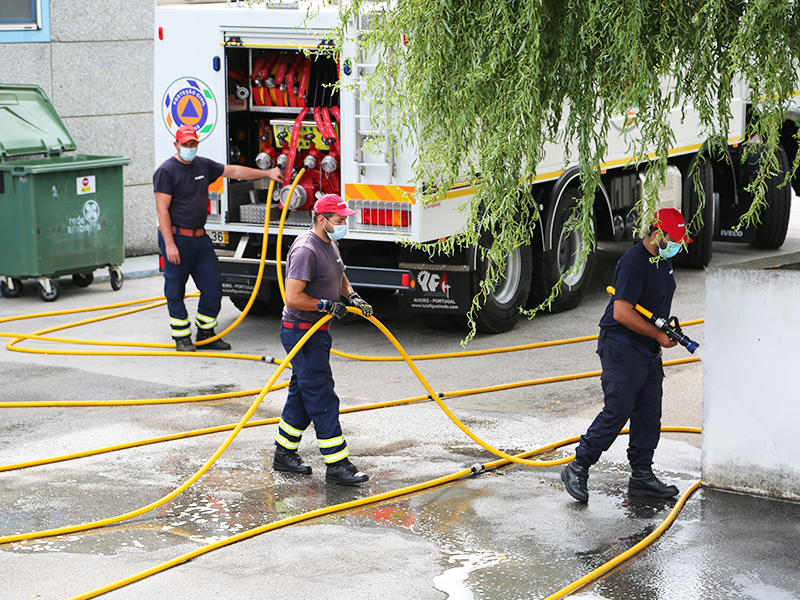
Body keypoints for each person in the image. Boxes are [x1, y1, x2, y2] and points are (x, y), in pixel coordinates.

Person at [561, 207, 693, 503]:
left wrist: (665, 329)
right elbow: (621, 312)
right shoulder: (635, 262)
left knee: (648, 413)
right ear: (658, 233)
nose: (677, 246)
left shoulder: (662, 260)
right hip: (621, 345)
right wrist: (657, 333)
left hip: (647, 347)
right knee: (619, 409)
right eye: (674, 239)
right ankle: (578, 466)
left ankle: (642, 476)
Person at [272, 194, 374, 486]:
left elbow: (339, 273)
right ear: (322, 220)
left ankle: (284, 453)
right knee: (322, 395)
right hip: (301, 331)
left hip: (318, 331)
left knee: (303, 394)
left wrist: (351, 295)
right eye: (340, 220)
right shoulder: (306, 250)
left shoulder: (330, 242)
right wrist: (324, 305)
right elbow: (292, 296)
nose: (344, 224)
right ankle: (337, 464)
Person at [154, 125, 283, 352]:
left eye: (193, 143)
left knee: (213, 287)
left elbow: (233, 171)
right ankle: (182, 337)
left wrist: (266, 173)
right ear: (176, 145)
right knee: (175, 289)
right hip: (176, 237)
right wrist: (170, 244)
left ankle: (206, 332)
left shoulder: (203, 165)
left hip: (200, 238)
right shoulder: (167, 171)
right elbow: (162, 210)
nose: (189, 148)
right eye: (185, 144)